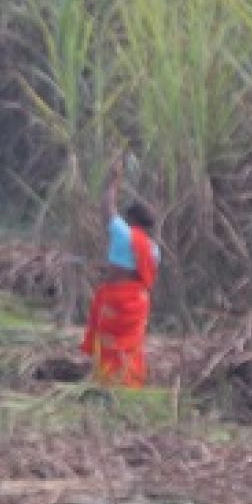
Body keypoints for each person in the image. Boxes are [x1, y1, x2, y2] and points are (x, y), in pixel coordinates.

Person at [81, 160, 161, 388]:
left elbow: (107, 209)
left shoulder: (123, 234)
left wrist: (112, 183)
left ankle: (106, 383)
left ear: (132, 220)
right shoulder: (154, 250)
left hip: (117, 299)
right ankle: (129, 384)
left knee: (108, 344)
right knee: (130, 346)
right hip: (138, 301)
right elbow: (139, 274)